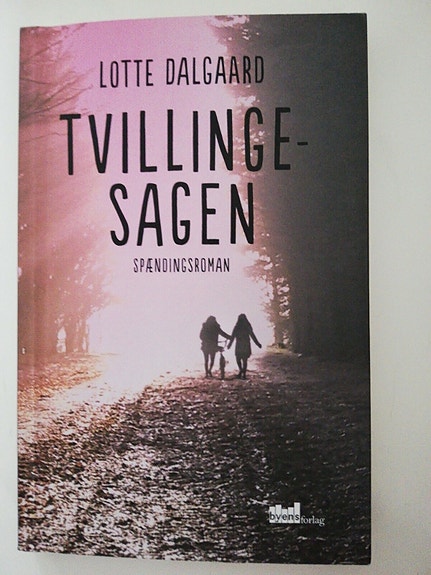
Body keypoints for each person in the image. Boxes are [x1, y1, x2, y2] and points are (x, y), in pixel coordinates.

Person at [227, 313, 262, 379]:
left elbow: (233, 337)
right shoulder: (245, 327)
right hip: (245, 345)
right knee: (243, 360)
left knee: (239, 359)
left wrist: (229, 345)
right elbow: (252, 336)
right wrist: (258, 344)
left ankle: (242, 372)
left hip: (240, 345)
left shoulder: (237, 327)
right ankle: (243, 373)